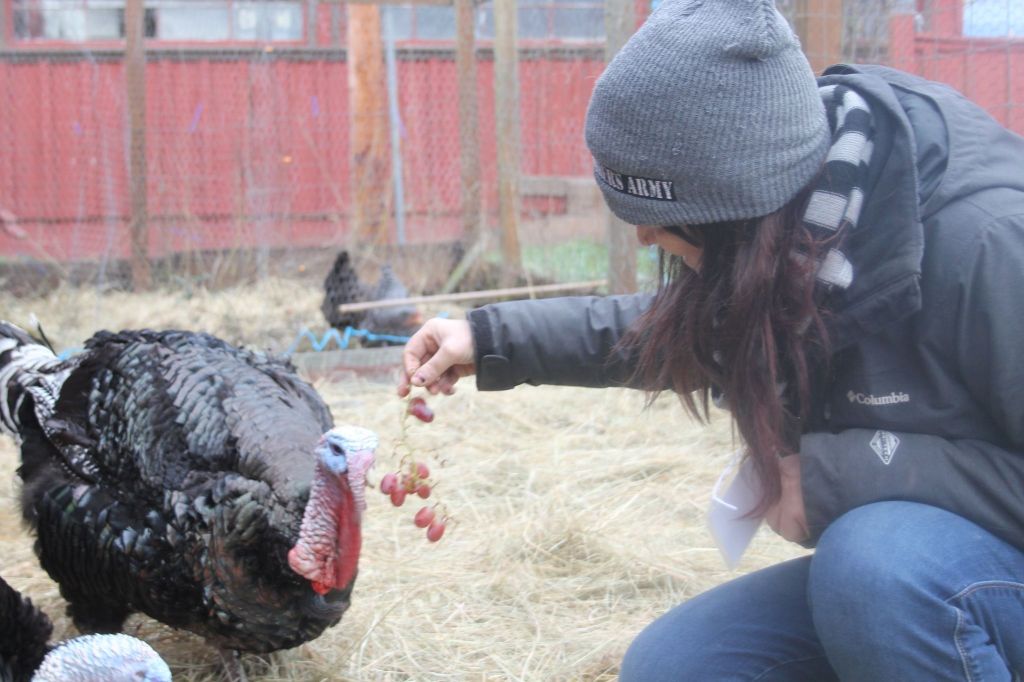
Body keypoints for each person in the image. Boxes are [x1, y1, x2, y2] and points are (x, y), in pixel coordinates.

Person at [398, 0, 1024, 678]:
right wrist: (490, 337)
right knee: (677, 665)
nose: (643, 236)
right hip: (928, 574)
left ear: (739, 206)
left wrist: (839, 475)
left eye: (664, 218)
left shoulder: (991, 243)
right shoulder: (811, 221)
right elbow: (693, 327)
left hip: (938, 576)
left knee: (874, 569)